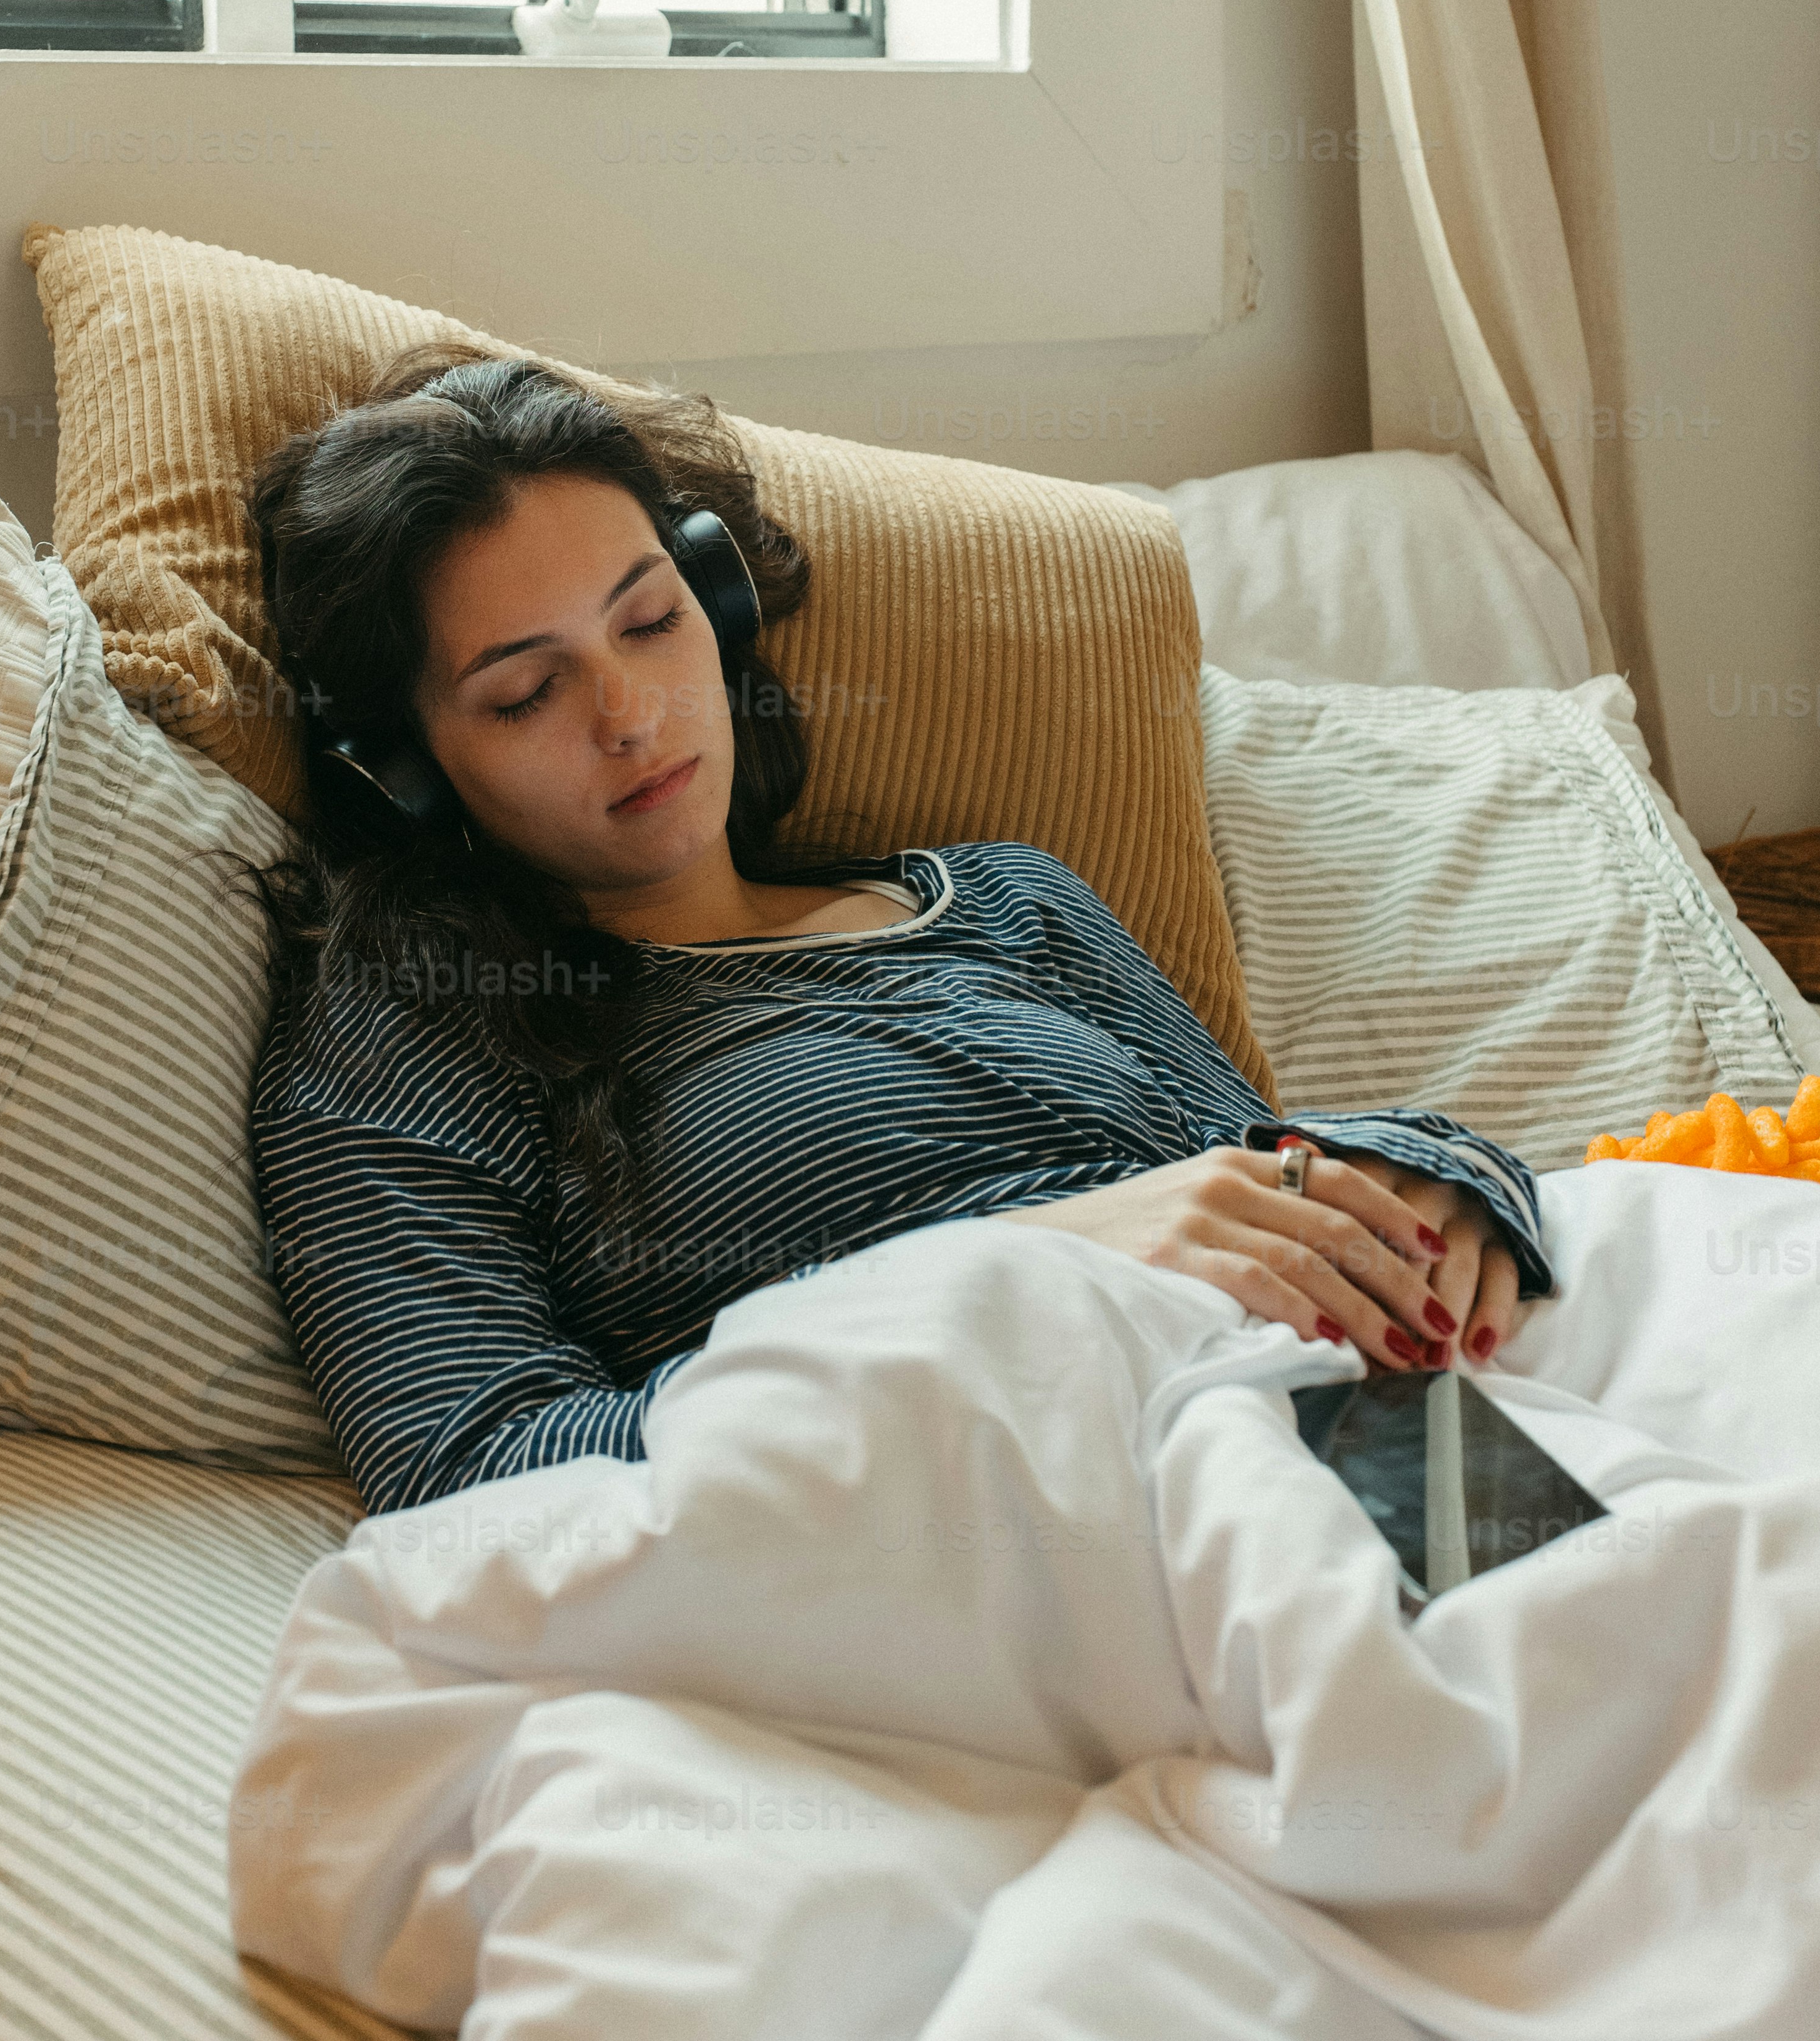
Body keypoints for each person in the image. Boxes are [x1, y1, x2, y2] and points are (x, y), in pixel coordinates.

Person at [247, 351, 1553, 1518]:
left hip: (1321, 1415)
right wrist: (1023, 1268)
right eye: (528, 692)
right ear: (406, 772)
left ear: (718, 603)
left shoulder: (1013, 899)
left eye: (650, 621)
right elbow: (471, 1469)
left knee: (1638, 1483)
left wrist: (1432, 1184)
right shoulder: (419, 1015)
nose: (631, 715)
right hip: (1023, 1511)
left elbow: (1246, 1181)